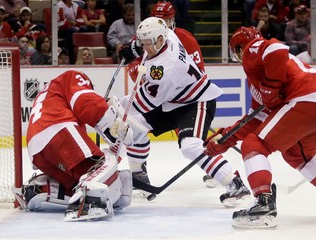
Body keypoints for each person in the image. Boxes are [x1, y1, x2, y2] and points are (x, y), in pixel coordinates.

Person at [116, 16, 251, 207]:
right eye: (143, 43)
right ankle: (139, 176)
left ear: (160, 40)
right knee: (134, 125)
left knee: (191, 146)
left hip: (196, 101)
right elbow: (146, 43)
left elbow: (144, 103)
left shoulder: (165, 68)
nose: (145, 47)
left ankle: (235, 184)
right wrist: (134, 48)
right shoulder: (167, 34)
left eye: (147, 44)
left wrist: (115, 107)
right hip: (172, 100)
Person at [205, 26, 316, 228]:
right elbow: (257, 118)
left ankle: (263, 203)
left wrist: (271, 86)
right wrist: (225, 138)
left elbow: (277, 48)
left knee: (254, 145)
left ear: (238, 49)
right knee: (296, 153)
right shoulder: (256, 79)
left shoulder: (251, 51)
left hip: (306, 96)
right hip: (308, 101)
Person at [17, 70, 134, 221]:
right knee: (100, 166)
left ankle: (42, 188)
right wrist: (112, 123)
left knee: (80, 182)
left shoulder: (49, 92)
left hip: (37, 150)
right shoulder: (72, 76)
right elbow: (84, 100)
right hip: (58, 128)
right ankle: (88, 205)